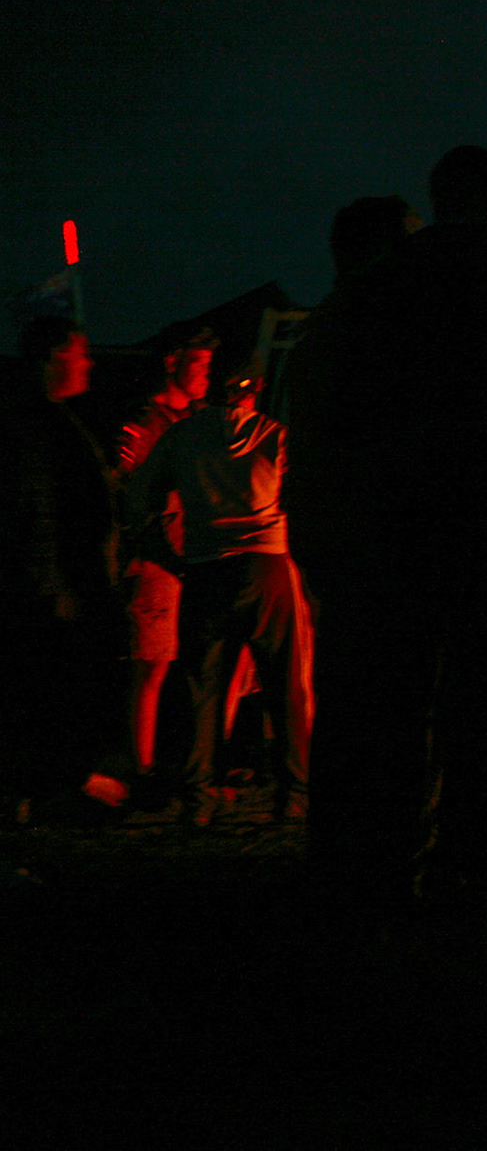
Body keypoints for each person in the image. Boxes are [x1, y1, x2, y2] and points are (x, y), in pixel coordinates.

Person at [285, 145, 487, 902]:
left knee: (395, 705)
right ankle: (473, 857)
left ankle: (386, 863)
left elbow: (332, 415)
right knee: (484, 709)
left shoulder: (375, 294)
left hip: (393, 534)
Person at [133, 358, 312, 826]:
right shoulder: (275, 435)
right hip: (266, 565)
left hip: (205, 568)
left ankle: (199, 797)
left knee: (204, 687)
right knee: (285, 684)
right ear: (255, 389)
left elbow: (140, 498)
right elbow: (303, 498)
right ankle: (293, 794)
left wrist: (168, 555)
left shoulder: (182, 436)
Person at [0, 317, 127, 822]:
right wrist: (56, 584)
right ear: (54, 356)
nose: (90, 363)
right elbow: (37, 508)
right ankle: (47, 787)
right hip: (50, 587)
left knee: (48, 686)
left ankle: (45, 785)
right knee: (46, 686)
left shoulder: (47, 419)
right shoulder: (33, 424)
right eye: (81, 352)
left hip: (56, 583)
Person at [114, 326, 217, 782]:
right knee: (151, 667)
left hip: (191, 556)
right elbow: (127, 492)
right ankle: (142, 769)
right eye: (200, 363)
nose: (207, 374)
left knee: (188, 663)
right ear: (173, 363)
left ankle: (187, 763)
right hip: (157, 559)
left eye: (210, 365)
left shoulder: (197, 419)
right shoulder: (147, 423)